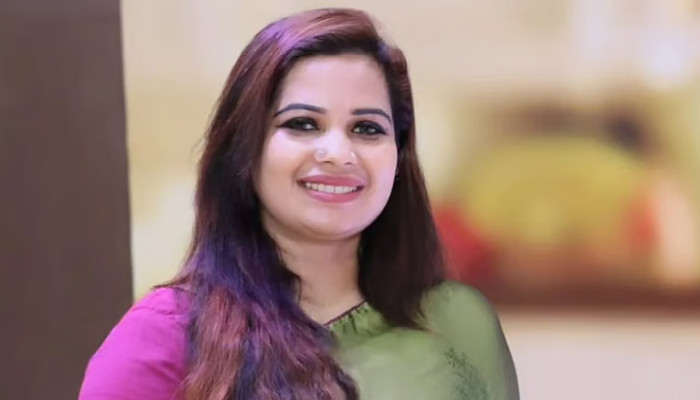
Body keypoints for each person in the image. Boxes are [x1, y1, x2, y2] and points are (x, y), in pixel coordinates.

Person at [78, 8, 519, 400]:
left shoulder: (458, 324)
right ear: (244, 149)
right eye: (303, 124)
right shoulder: (163, 337)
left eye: (367, 128)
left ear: (399, 158)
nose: (338, 153)